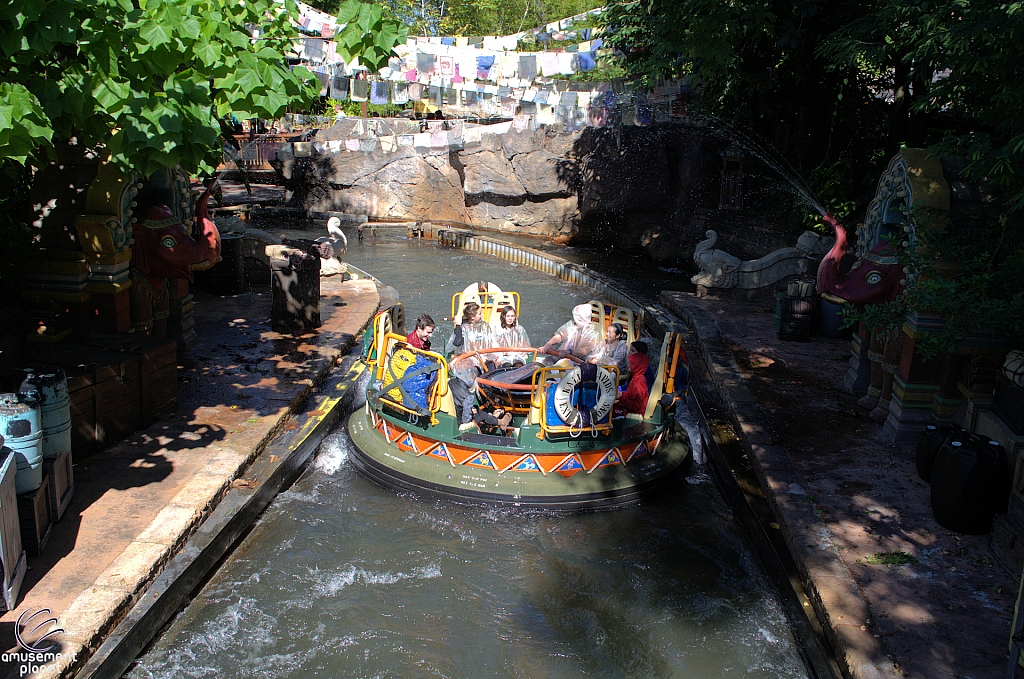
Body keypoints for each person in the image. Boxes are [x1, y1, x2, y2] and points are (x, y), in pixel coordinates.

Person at [616, 341, 651, 417]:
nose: (629, 368)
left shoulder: (639, 382)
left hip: (636, 416)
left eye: (632, 351)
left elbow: (635, 405)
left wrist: (621, 398)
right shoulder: (636, 377)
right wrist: (621, 394)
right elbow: (631, 394)